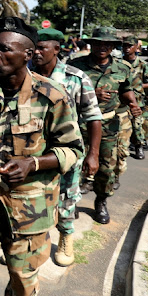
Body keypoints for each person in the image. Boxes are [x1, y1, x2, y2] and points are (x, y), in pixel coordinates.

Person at [0, 17, 83, 296]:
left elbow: (72, 150)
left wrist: (33, 163)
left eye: (5, 50)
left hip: (28, 204)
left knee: (22, 270)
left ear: (27, 54)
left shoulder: (51, 95)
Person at [31, 28, 102, 267]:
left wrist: (93, 154)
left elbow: (93, 117)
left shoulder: (76, 78)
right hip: (33, 150)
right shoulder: (25, 76)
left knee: (67, 196)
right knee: (32, 197)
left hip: (68, 151)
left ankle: (65, 237)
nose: (36, 52)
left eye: (42, 48)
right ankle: (32, 242)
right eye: (34, 48)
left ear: (57, 49)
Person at [69, 27, 141, 224]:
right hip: (79, 124)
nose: (102, 47)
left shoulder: (123, 68)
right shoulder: (75, 66)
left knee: (107, 168)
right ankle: (72, 202)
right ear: (91, 44)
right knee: (74, 164)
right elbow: (64, 94)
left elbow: (126, 90)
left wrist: (133, 103)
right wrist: (92, 93)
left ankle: (101, 202)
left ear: (112, 47)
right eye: (98, 43)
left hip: (109, 124)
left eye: (107, 44)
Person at [121, 36, 148, 163]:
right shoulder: (118, 63)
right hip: (120, 101)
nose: (127, 48)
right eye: (125, 46)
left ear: (137, 48)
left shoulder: (143, 65)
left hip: (138, 101)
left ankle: (139, 147)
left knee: (137, 125)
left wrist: (137, 86)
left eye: (130, 46)